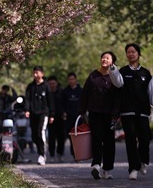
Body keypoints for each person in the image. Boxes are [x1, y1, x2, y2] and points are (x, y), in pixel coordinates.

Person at [109, 43, 153, 180]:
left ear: (138, 54)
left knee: (145, 138)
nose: (131, 54)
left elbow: (150, 92)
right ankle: (133, 168)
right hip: (127, 111)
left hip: (143, 112)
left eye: (133, 52)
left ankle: (143, 161)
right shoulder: (122, 71)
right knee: (130, 140)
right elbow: (117, 83)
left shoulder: (145, 73)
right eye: (128, 52)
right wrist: (112, 69)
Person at [79, 51, 120, 180]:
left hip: (110, 115)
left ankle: (107, 169)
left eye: (107, 58)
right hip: (95, 113)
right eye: (103, 57)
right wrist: (82, 111)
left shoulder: (115, 78)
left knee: (109, 142)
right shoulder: (93, 76)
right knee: (96, 139)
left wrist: (116, 114)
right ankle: (96, 165)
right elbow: (85, 94)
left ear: (112, 62)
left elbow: (118, 97)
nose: (104, 59)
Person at [25, 66, 55, 165]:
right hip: (33, 113)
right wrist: (27, 110)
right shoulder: (30, 86)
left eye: (37, 72)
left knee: (40, 132)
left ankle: (42, 155)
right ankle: (40, 152)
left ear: (42, 73)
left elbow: (50, 101)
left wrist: (52, 114)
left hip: (43, 113)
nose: (35, 74)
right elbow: (27, 99)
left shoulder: (46, 86)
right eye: (34, 72)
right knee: (34, 136)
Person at [62, 72, 83, 159]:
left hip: (79, 117)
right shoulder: (65, 92)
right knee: (71, 137)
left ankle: (80, 154)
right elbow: (62, 103)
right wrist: (64, 112)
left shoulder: (80, 91)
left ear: (75, 80)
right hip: (69, 118)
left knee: (80, 136)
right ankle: (74, 154)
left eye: (72, 79)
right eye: (69, 79)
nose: (71, 81)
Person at [47, 75, 66, 163]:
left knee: (61, 137)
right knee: (51, 138)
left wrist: (64, 113)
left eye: (53, 83)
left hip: (60, 118)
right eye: (50, 84)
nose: (52, 85)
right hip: (50, 119)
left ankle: (60, 153)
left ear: (56, 83)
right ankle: (51, 154)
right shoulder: (47, 92)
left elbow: (65, 104)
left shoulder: (61, 92)